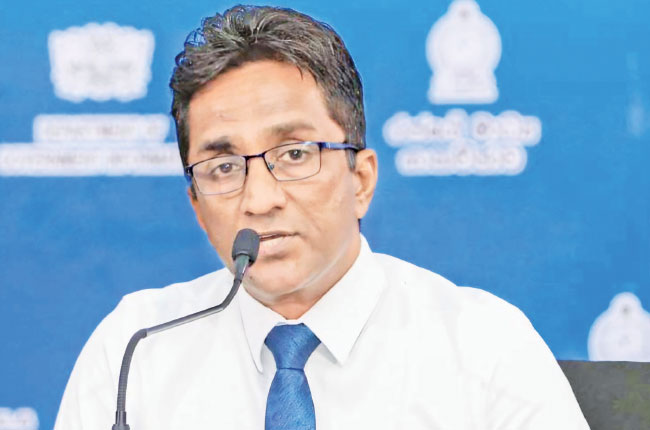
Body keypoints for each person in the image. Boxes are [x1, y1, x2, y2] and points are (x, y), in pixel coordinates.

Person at [55, 5, 590, 430]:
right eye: (223, 167)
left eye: (293, 154)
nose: (260, 199)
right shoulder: (137, 347)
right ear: (197, 206)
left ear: (362, 180)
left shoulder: (483, 345)